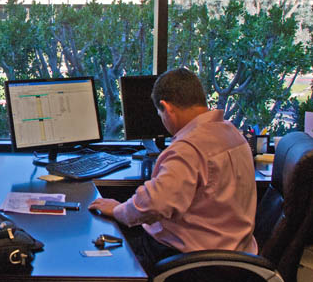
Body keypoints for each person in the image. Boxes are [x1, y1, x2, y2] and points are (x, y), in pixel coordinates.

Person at [88, 67, 258, 268]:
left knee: (103, 259)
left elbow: (152, 205)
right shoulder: (233, 135)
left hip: (191, 264)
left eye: (160, 114)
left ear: (166, 108)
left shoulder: (189, 148)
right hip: (235, 257)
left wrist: (118, 209)